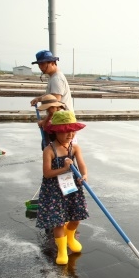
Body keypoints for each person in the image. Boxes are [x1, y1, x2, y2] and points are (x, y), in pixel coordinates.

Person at [36, 110, 88, 265]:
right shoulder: (49, 150)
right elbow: (47, 173)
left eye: (72, 130)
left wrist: (84, 175)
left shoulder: (75, 147)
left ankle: (70, 237)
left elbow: (82, 165)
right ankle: (62, 250)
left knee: (76, 217)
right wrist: (64, 169)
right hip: (54, 190)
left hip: (71, 187)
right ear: (56, 131)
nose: (70, 134)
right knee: (58, 222)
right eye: (66, 131)